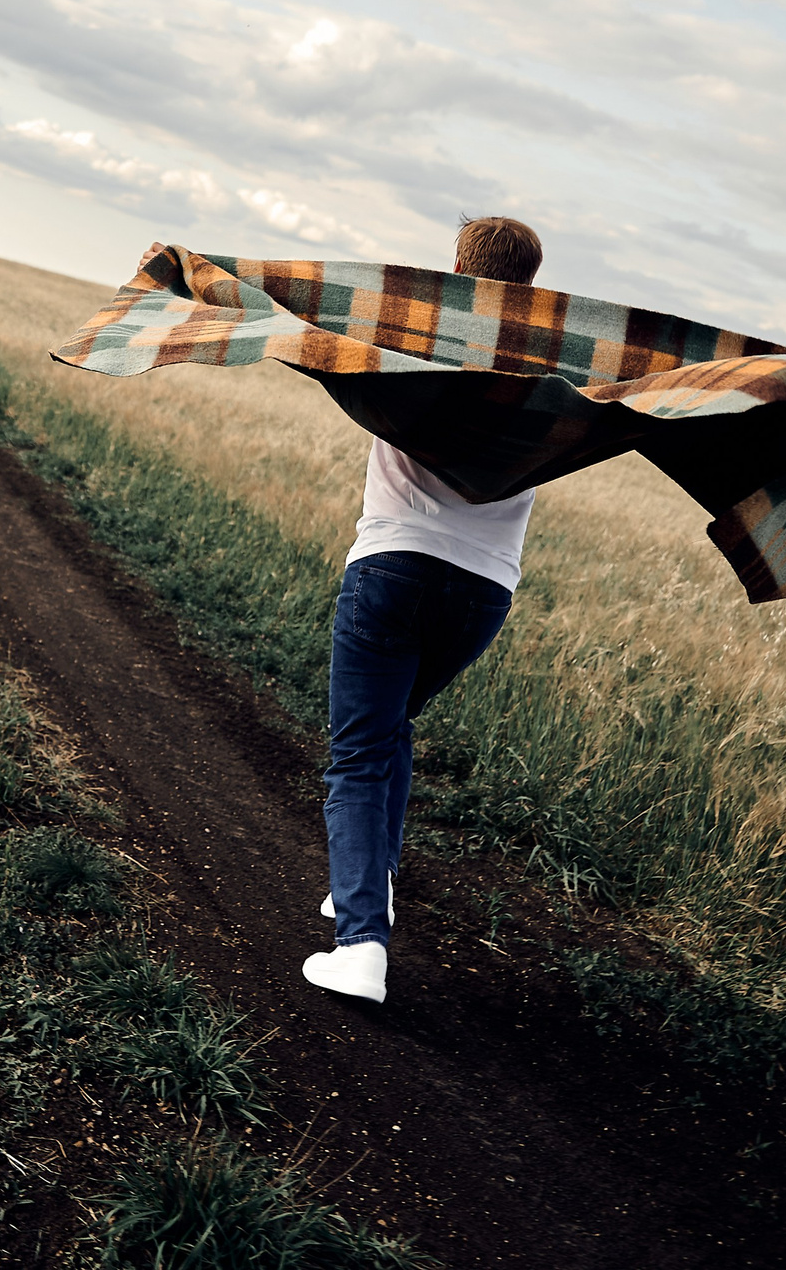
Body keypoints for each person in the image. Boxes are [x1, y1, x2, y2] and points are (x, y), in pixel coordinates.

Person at [301, 215, 544, 1005]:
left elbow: (314, 323)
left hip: (394, 568)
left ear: (458, 268)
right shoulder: (551, 374)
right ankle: (368, 889)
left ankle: (361, 941)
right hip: (482, 594)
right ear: (532, 284)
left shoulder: (415, 336)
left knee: (360, 752)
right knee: (390, 729)